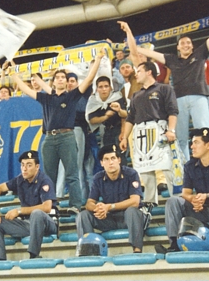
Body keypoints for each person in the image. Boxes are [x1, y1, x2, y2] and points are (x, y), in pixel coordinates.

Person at [135, 11, 209, 161]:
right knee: (181, 137)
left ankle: (208, 163)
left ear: (192, 46)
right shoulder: (171, 59)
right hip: (179, 101)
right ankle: (186, 168)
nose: (186, 45)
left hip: (199, 98)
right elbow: (153, 54)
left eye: (188, 43)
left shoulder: (200, 53)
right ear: (177, 47)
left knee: (204, 132)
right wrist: (132, 45)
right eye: (182, 43)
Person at [11, 50, 103, 214]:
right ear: (53, 82)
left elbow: (89, 79)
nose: (61, 80)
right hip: (49, 139)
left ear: (67, 82)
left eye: (63, 78)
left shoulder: (72, 96)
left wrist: (98, 60)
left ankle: (75, 205)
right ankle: (50, 205)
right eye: (58, 77)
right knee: (48, 175)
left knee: (72, 174)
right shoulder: (46, 98)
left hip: (67, 136)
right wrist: (14, 74)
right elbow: (26, 89)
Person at [156, 128, 209, 253]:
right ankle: (175, 245)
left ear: (208, 145)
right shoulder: (190, 166)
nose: (192, 146)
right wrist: (194, 200)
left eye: (196, 143)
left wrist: (206, 197)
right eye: (192, 143)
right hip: (200, 210)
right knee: (173, 201)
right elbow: (185, 193)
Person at [120, 61, 179, 205]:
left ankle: (177, 202)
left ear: (149, 72)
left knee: (168, 168)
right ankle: (149, 204)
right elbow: (130, 118)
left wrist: (171, 130)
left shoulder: (164, 89)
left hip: (160, 129)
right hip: (140, 132)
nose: (136, 74)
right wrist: (124, 137)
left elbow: (172, 111)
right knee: (145, 171)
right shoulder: (135, 95)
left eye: (139, 70)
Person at [0, 150, 58, 261]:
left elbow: (46, 207)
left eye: (29, 165)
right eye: (22, 165)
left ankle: (34, 255)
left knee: (37, 213)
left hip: (47, 223)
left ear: (37, 167)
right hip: (28, 224)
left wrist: (19, 211)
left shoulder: (44, 180)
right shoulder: (20, 180)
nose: (24, 168)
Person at [76, 144, 145, 253]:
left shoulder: (131, 174)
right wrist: (98, 208)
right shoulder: (98, 178)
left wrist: (109, 207)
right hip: (109, 219)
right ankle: (88, 251)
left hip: (128, 217)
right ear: (101, 163)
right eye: (106, 159)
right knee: (83, 215)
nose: (110, 162)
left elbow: (135, 201)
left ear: (119, 160)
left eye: (113, 158)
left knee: (132, 211)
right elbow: (89, 203)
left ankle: (137, 251)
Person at [56, 72, 94, 204]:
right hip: (64, 132)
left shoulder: (81, 96)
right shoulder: (61, 97)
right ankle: (59, 194)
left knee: (77, 165)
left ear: (77, 82)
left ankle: (80, 196)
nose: (70, 83)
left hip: (77, 130)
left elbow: (90, 80)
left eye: (73, 80)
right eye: (68, 81)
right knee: (63, 164)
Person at [87, 76, 127, 152]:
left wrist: (119, 110)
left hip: (119, 129)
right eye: (101, 87)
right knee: (107, 154)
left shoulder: (117, 97)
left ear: (110, 88)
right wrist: (105, 117)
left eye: (106, 86)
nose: (104, 89)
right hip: (107, 131)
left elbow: (125, 115)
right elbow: (91, 120)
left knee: (120, 156)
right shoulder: (94, 100)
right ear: (97, 89)